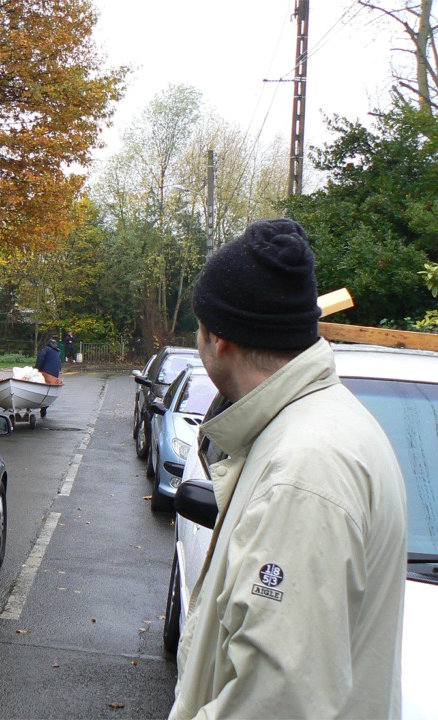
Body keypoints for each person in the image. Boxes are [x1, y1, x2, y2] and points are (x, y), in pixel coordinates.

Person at [170, 219, 406, 719]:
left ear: (220, 340)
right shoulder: (323, 425)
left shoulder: (303, 471)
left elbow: (276, 704)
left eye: (199, 326)